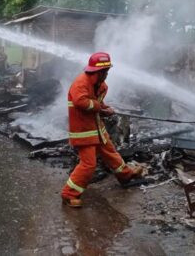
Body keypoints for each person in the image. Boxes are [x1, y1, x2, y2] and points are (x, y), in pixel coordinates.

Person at [61, 52, 143, 208]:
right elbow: (81, 102)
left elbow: (97, 102)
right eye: (104, 71)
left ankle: (125, 175)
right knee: (88, 164)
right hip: (83, 130)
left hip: (96, 126)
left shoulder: (99, 85)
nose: (107, 74)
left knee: (110, 151)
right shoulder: (81, 83)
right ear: (96, 71)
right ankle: (69, 194)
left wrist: (105, 107)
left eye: (107, 70)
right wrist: (101, 109)